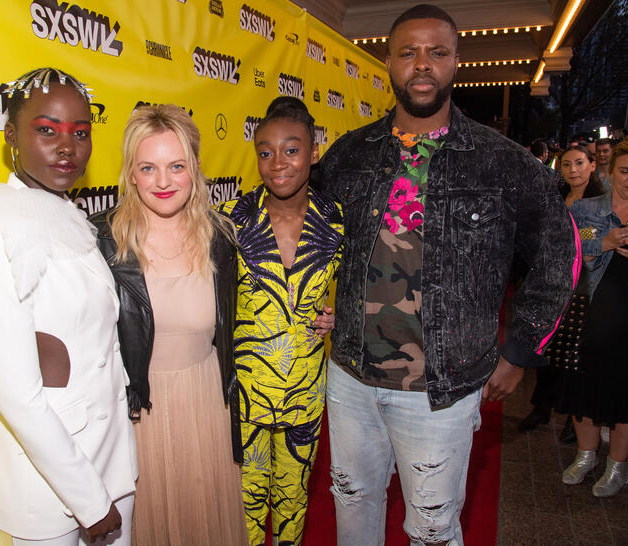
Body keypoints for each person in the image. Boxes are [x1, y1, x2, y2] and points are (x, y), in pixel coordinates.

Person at [318, 5, 580, 545]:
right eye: (408, 52)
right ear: (388, 62)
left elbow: (561, 254)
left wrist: (520, 351)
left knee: (433, 530)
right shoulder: (349, 154)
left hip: (442, 389)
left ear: (455, 62)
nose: (422, 65)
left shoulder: (502, 162)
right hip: (350, 381)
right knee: (352, 508)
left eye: (437, 53)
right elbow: (316, 236)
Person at [0, 67, 137, 546]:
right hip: (47, 488)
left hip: (109, 464)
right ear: (11, 138)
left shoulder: (71, 216)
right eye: (46, 130)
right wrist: (88, 499)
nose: (67, 147)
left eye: (80, 133)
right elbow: (18, 395)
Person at [90, 104, 247, 545]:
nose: (162, 182)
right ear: (131, 173)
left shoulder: (219, 236)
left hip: (206, 405)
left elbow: (242, 318)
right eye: (148, 167)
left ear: (195, 168)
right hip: (137, 415)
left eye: (176, 166)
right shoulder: (101, 240)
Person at [219, 97, 343, 545]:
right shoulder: (233, 219)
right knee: (246, 501)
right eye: (265, 151)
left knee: (293, 499)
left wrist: (335, 316)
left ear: (314, 151)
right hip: (245, 390)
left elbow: (352, 292)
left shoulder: (337, 220)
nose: (277, 163)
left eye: (291, 150)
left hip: (306, 390)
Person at [555, 138, 628, 497]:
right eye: (625, 170)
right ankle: (586, 455)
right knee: (585, 387)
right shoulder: (589, 210)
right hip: (589, 310)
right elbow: (574, 244)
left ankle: (617, 465)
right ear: (610, 171)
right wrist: (605, 241)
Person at [519, 145, 605, 435]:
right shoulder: (557, 198)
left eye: (579, 163)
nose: (573, 170)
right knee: (546, 349)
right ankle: (541, 407)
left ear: (592, 165)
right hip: (552, 285)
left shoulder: (601, 204)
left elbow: (586, 244)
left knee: (575, 356)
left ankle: (573, 416)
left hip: (584, 287)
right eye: (566, 165)